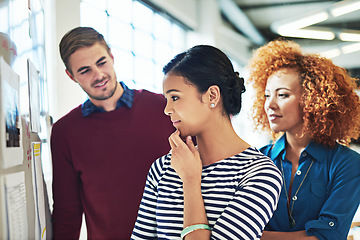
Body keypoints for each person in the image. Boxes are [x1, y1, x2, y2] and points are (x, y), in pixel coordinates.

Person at [131, 45, 283, 239]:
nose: (167, 109)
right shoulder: (162, 168)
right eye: (167, 99)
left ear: (212, 95)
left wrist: (191, 180)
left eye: (175, 97)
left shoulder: (260, 174)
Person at [50, 26, 174, 239]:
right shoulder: (65, 132)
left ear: (112, 57)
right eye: (84, 70)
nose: (98, 75)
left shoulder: (164, 108)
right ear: (71, 76)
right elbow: (67, 214)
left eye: (101, 62)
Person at [247, 39, 360, 240]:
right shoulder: (256, 160)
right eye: (266, 95)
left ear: (312, 100)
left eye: (282, 95)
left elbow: (327, 236)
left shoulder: (347, 163)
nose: (270, 105)